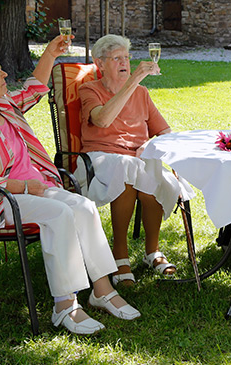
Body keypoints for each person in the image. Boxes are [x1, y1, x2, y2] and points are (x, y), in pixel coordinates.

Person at [0, 38, 139, 336]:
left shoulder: (2, 106)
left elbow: (34, 89)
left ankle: (102, 289)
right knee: (58, 214)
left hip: (32, 188)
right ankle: (64, 305)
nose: (4, 74)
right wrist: (20, 185)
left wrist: (49, 53)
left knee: (82, 206)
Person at [76, 34, 194, 286]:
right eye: (117, 58)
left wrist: (149, 144)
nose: (125, 63)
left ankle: (152, 252)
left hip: (136, 159)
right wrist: (134, 80)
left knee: (149, 168)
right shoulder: (89, 90)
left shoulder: (141, 93)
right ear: (100, 63)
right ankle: (120, 255)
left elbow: (165, 133)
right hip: (102, 158)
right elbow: (103, 120)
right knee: (127, 167)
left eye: (127, 58)